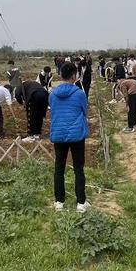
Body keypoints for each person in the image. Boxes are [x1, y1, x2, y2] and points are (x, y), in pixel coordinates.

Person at [49, 62, 89, 213]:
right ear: (74, 75)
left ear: (61, 75)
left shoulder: (53, 94)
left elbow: (53, 109)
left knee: (59, 168)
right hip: (77, 135)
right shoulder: (79, 93)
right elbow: (84, 110)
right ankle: (81, 203)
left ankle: (59, 202)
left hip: (59, 134)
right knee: (78, 168)